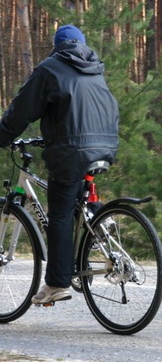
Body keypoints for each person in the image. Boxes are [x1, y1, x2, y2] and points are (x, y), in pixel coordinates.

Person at [0, 25, 119, 304]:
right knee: (79, 198)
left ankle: (56, 283)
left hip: (71, 150)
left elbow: (21, 111)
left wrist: (3, 135)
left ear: (58, 46)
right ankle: (100, 217)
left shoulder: (50, 68)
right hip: (106, 144)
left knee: (60, 215)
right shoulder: (96, 68)